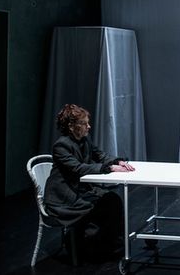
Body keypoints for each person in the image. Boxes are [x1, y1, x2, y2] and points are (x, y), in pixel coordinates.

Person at [43, 104, 135, 260]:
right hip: (64, 197)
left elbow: (99, 155)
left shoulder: (85, 139)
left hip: (80, 190)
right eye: (84, 123)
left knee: (112, 199)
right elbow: (78, 168)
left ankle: (112, 247)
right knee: (98, 206)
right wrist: (108, 168)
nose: (89, 126)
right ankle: (86, 247)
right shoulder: (61, 145)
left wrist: (117, 161)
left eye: (88, 123)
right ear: (72, 126)